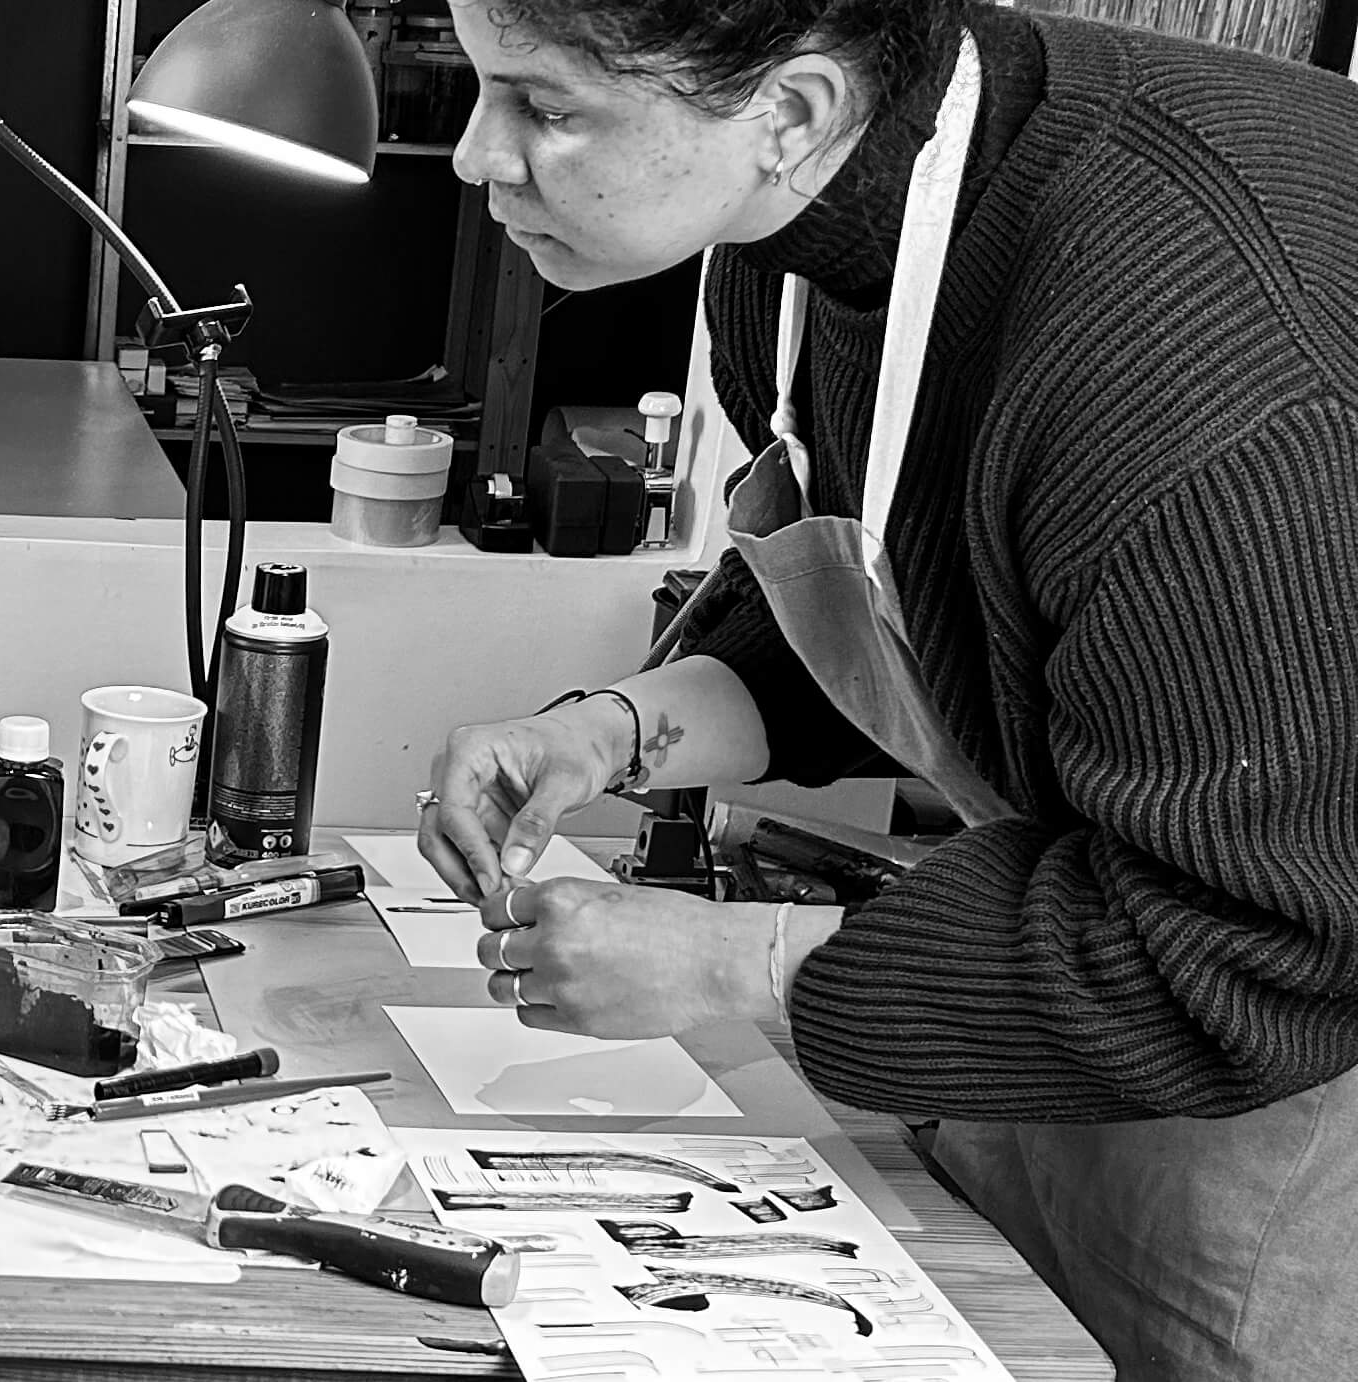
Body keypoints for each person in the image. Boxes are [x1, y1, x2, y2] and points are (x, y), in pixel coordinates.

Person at [417, 1, 1358, 1375]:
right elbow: (894, 601)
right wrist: (614, 731)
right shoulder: (785, 241)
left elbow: (1258, 950)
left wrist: (725, 962)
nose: (472, 156)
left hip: (1284, 1012)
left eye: (544, 107)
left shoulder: (1191, 372)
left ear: (792, 112)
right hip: (1076, 953)